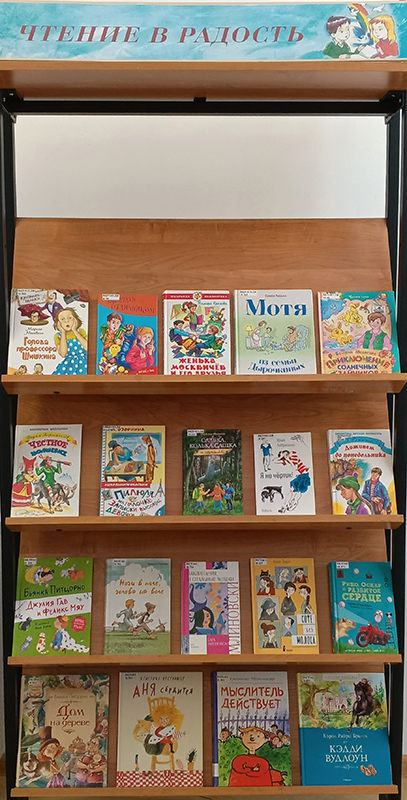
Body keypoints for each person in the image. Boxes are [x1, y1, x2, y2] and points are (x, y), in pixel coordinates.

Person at [53, 307, 87, 375]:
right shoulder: (58, 336)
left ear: (75, 320)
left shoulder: (81, 332)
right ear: (58, 323)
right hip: (69, 364)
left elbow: (87, 347)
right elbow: (63, 354)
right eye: (62, 319)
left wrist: (74, 330)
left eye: (70, 318)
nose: (66, 321)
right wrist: (63, 333)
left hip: (85, 361)